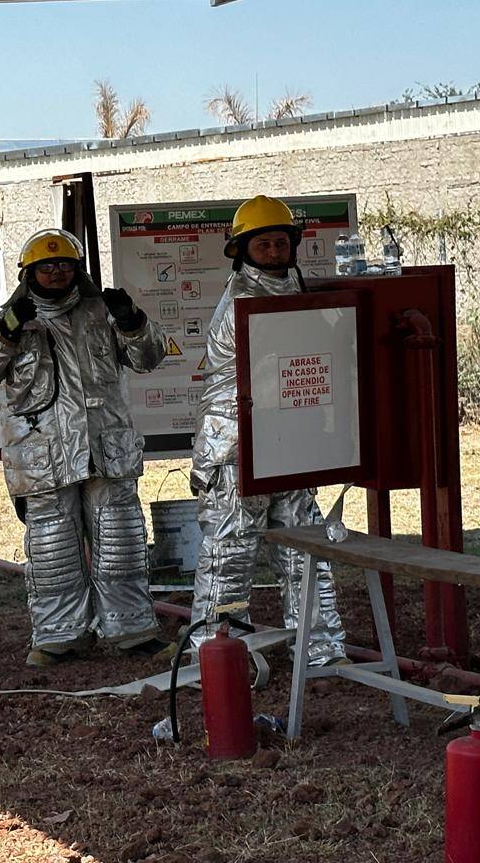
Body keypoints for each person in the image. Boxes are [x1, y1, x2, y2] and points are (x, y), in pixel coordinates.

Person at [0, 228, 172, 666]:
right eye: (46, 266)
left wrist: (133, 322)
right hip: (45, 459)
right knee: (53, 551)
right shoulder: (10, 322)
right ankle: (59, 637)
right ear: (29, 273)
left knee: (122, 545)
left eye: (64, 264)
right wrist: (6, 330)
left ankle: (133, 630)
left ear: (78, 269)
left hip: (105, 452)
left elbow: (150, 357)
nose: (56, 272)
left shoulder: (105, 314)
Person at [188, 195, 347, 665]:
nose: (274, 252)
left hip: (287, 443)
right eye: (264, 245)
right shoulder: (244, 301)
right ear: (242, 251)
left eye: (281, 243)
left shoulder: (292, 291)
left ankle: (319, 648)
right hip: (237, 449)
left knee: (305, 550)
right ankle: (216, 658)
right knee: (230, 555)